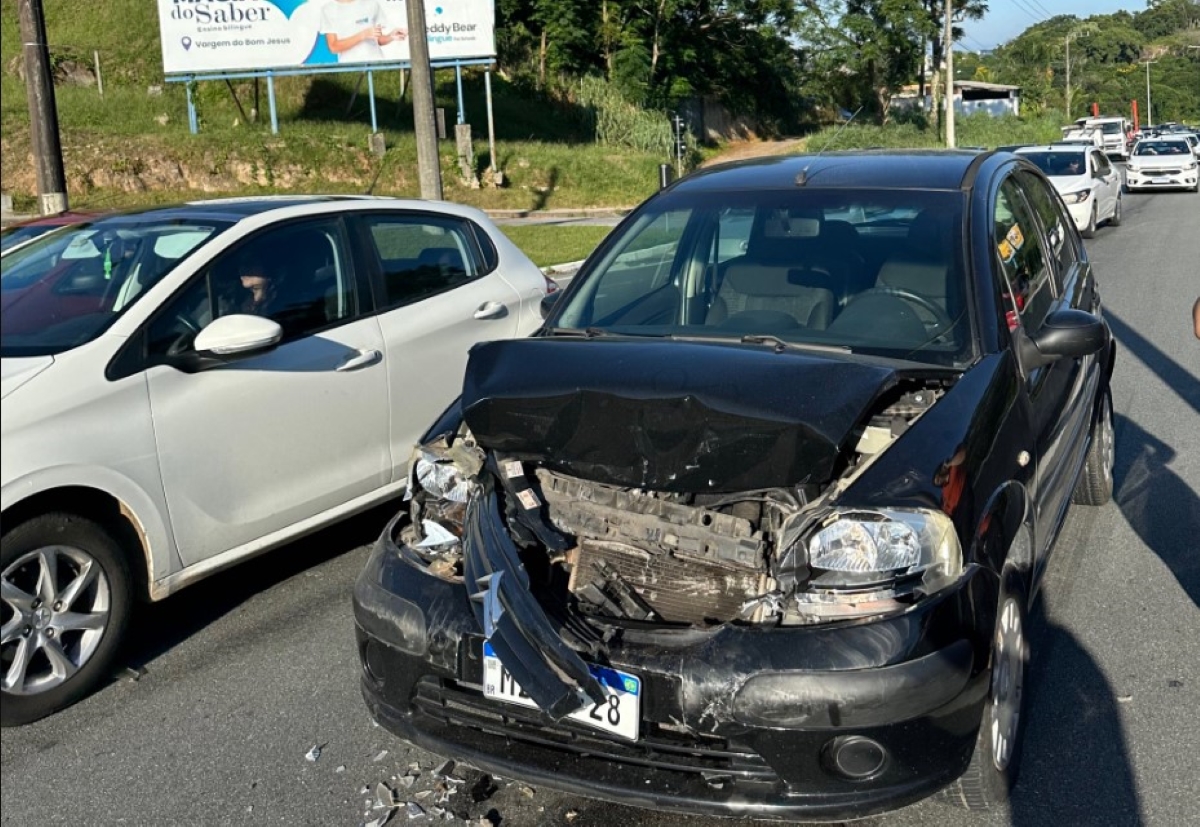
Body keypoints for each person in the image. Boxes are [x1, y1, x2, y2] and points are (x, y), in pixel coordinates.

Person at [320, 0, 405, 64]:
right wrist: (363, 35)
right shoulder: (328, 9)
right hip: (351, 67)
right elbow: (334, 47)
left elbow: (378, 39)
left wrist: (391, 36)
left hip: (376, 63)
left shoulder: (371, 3)